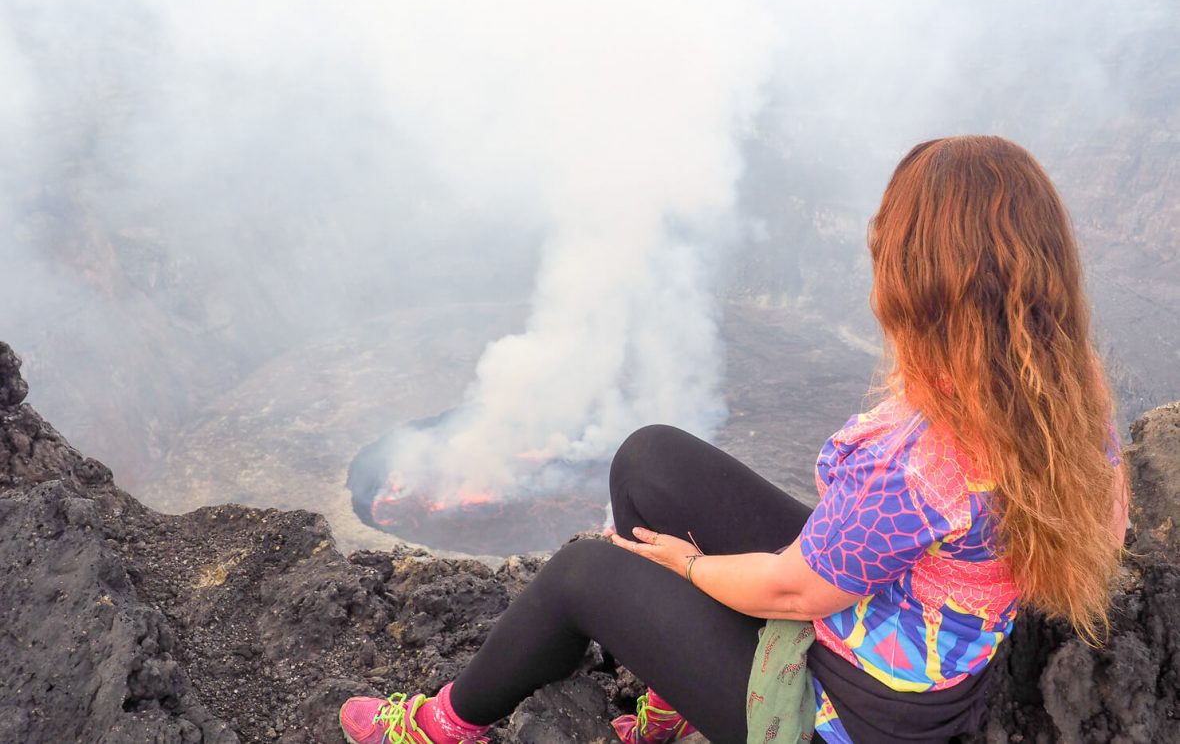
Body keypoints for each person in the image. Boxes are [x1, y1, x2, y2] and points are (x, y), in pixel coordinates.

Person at [338, 135, 1130, 744]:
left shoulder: (915, 458)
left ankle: (443, 724)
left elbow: (794, 589)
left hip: (837, 714)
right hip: (917, 668)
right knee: (649, 456)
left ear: (919, 281)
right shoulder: (1067, 396)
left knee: (584, 569)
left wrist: (688, 567)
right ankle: (675, 687)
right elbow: (1077, 530)